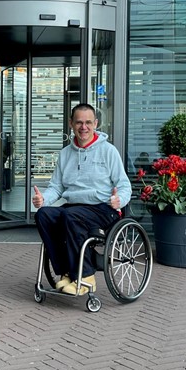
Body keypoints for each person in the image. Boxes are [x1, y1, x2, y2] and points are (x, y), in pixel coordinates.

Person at [32, 103, 132, 295]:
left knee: (71, 215)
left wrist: (120, 200)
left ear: (95, 124)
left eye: (88, 122)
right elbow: (57, 187)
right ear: (71, 124)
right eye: (79, 122)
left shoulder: (108, 151)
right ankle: (66, 272)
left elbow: (124, 185)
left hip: (103, 208)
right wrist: (43, 199)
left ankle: (86, 276)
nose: (83, 127)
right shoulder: (65, 154)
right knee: (44, 215)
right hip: (73, 208)